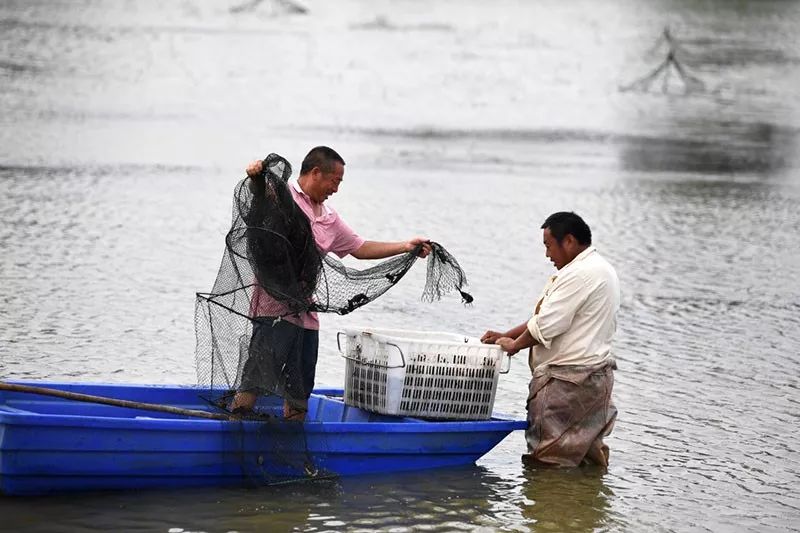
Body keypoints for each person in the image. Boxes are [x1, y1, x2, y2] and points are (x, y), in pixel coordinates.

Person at [230, 146, 432, 420]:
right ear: (315, 173)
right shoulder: (282, 195)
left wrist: (405, 246)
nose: (335, 189)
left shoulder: (329, 218)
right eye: (334, 181)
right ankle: (236, 426)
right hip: (273, 310)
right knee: (256, 378)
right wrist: (254, 176)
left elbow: (360, 247)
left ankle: (291, 443)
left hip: (306, 316)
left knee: (299, 392)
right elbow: (259, 197)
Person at [481, 212, 619, 467]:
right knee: (589, 462)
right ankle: (583, 504)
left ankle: (546, 505)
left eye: (548, 246)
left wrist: (514, 346)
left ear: (568, 241)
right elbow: (547, 317)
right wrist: (507, 335)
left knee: (547, 463)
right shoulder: (599, 269)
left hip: (567, 384)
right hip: (596, 382)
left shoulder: (580, 273)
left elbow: (548, 323)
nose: (547, 255)